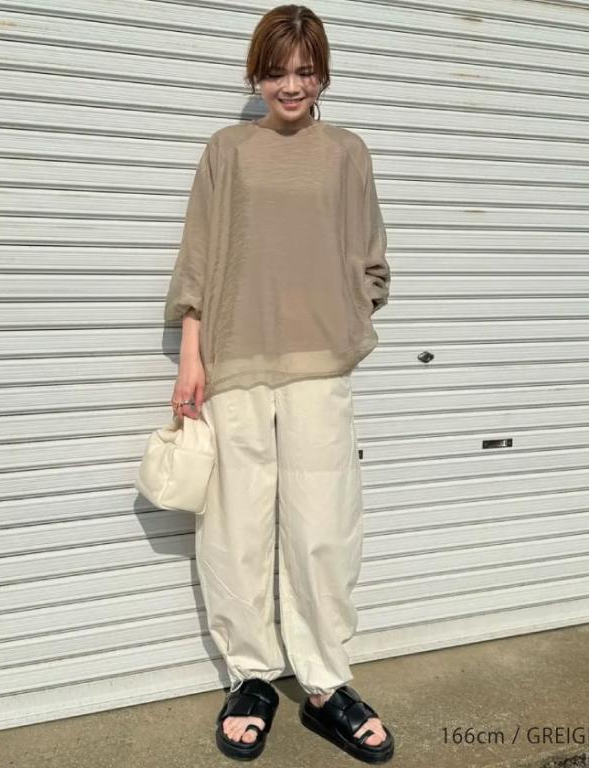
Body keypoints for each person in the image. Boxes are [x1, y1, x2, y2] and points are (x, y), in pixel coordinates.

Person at [165, 4, 394, 763]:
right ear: (255, 75)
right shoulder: (227, 149)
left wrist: (348, 310)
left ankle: (325, 683)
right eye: (275, 71)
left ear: (323, 72)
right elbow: (200, 253)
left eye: (304, 70)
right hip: (234, 357)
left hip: (319, 365)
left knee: (323, 528)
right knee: (236, 529)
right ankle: (253, 677)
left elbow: (372, 256)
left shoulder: (347, 152)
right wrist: (192, 353)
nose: (290, 85)